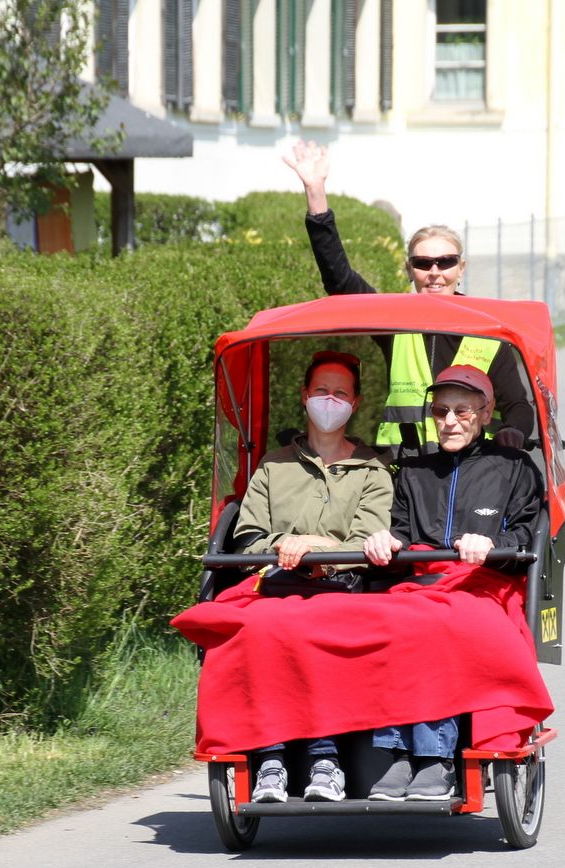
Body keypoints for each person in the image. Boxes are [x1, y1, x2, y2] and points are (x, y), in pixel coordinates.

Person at [361, 364, 543, 801]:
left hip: (484, 582)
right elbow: (401, 529)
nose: (449, 421)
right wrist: (387, 539)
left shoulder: (514, 467)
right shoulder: (413, 471)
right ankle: (399, 754)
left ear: (485, 413)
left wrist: (492, 541)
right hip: (423, 584)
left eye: (462, 412)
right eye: (440, 411)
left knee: (441, 626)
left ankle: (435, 759)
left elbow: (525, 533)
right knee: (386, 621)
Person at [283, 139, 534, 454]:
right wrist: (315, 194)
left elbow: (518, 406)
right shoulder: (394, 323)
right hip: (403, 470)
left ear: (461, 268)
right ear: (410, 269)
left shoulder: (487, 331)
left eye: (445, 262)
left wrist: (513, 432)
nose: (434, 271)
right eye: (423, 263)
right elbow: (340, 281)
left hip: (470, 469)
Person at [232, 350, 393, 804]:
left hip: (341, 588)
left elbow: (368, 540)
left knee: (314, 630)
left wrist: (315, 546)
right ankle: (270, 759)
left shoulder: (373, 470)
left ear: (355, 403)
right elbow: (247, 538)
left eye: (340, 393)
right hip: (280, 587)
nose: (329, 399)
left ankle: (326, 759)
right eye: (321, 390)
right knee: (258, 631)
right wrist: (287, 544)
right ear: (305, 397)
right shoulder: (273, 466)